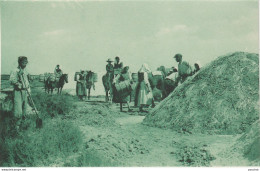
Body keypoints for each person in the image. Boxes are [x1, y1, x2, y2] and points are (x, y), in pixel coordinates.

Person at [9, 56, 31, 130]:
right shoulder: (15, 70)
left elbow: (27, 81)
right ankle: (16, 128)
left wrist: (28, 90)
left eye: (26, 62)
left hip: (25, 91)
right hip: (18, 92)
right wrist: (18, 80)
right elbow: (11, 80)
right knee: (18, 110)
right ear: (20, 62)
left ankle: (23, 126)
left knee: (24, 109)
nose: (25, 63)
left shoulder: (26, 71)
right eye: (23, 62)